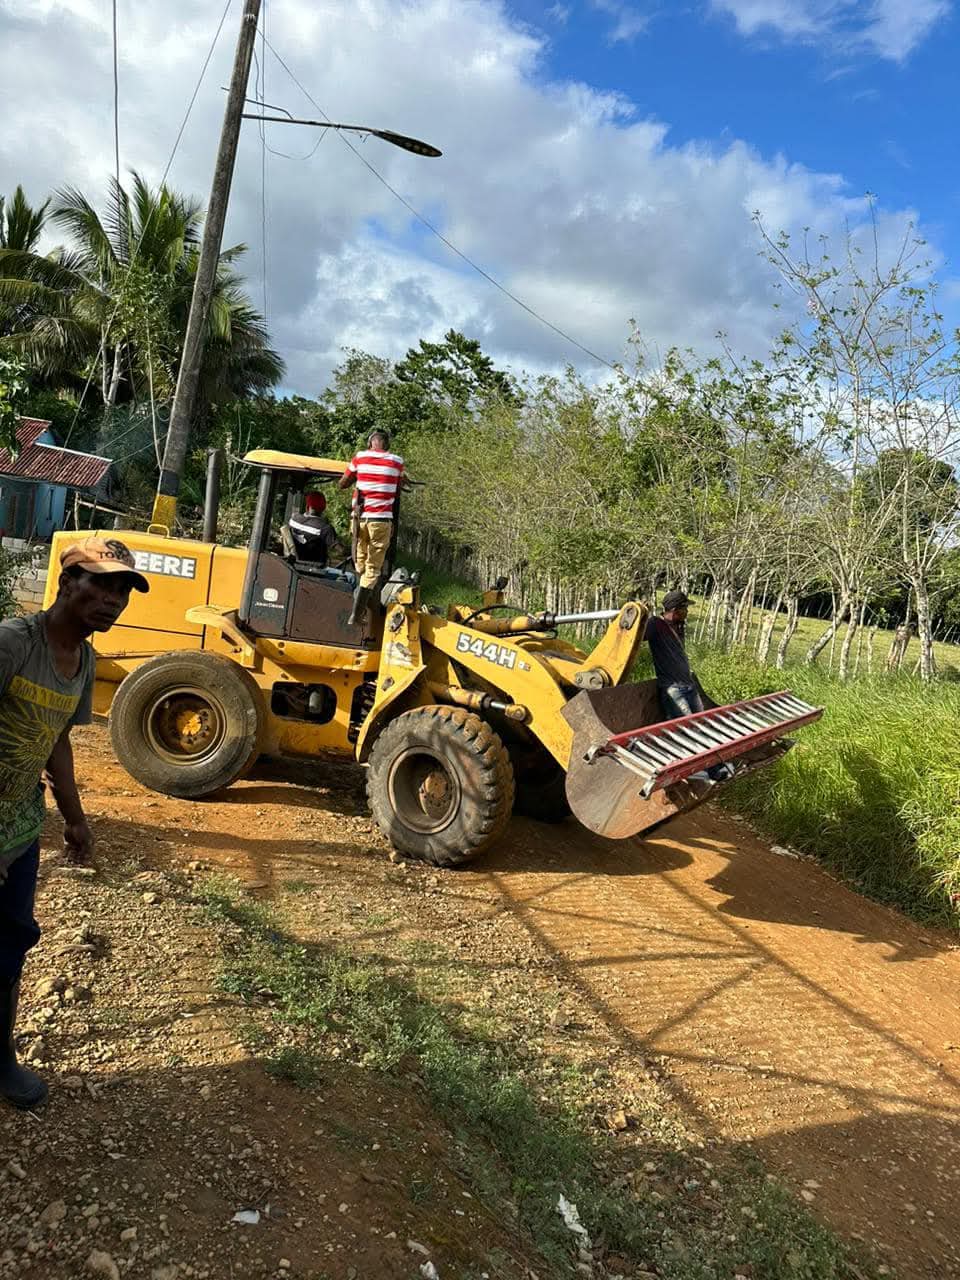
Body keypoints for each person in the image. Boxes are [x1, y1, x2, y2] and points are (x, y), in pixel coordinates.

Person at [0, 536, 148, 1108]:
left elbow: (58, 740)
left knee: (10, 943)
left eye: (121, 591)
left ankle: (1, 1060)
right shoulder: (13, 644)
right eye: (100, 584)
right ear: (66, 583)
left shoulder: (84, 660)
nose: (112, 600)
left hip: (18, 825)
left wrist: (75, 819)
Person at [645, 589, 732, 783]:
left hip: (688, 685)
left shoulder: (679, 626)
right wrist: (639, 615)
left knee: (700, 726)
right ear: (676, 609)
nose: (688, 612)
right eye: (685, 608)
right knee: (693, 729)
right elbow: (634, 637)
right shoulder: (655, 625)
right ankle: (713, 770)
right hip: (672, 687)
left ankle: (701, 769)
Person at [338, 428, 405, 627]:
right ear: (387, 445)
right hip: (381, 521)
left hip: (359, 520)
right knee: (373, 569)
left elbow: (343, 483)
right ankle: (357, 614)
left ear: (370, 443)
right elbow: (398, 490)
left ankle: (357, 598)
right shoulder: (397, 462)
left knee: (360, 560)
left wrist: (354, 480)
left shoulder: (359, 457)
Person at [287, 491, 343, 567]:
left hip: (292, 566)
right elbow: (340, 551)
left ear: (307, 506)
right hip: (316, 571)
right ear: (323, 509)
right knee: (350, 577)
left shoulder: (293, 520)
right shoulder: (325, 528)